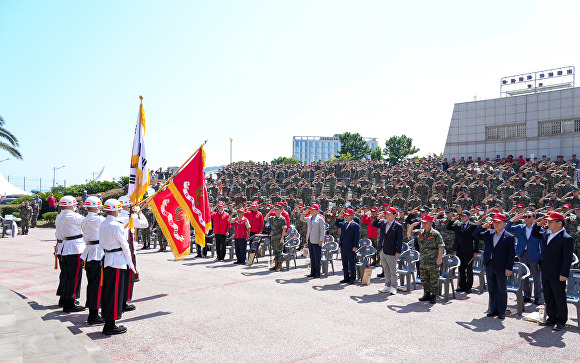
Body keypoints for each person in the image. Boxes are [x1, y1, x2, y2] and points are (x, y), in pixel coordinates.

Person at [99, 199, 137, 335]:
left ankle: (109, 322)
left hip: (108, 259)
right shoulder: (116, 225)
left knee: (108, 292)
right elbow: (125, 246)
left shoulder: (104, 223)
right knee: (114, 294)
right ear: (116, 210)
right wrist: (131, 264)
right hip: (117, 261)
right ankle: (110, 325)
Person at [532, 212, 575, 331]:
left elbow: (567, 258)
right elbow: (535, 234)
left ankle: (561, 320)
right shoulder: (547, 233)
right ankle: (551, 317)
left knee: (559, 296)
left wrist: (564, 273)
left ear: (559, 223)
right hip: (545, 270)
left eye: (551, 221)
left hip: (557, 272)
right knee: (548, 295)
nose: (548, 223)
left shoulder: (566, 238)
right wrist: (538, 225)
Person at [473, 213, 515, 320]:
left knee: (501, 289)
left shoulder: (509, 237)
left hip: (502, 266)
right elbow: (475, 234)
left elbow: (511, 254)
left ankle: (501, 311)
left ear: (504, 223)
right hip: (490, 264)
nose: (496, 224)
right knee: (491, 288)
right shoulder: (489, 233)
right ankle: (493, 309)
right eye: (494, 222)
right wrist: (482, 226)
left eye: (498, 222)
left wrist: (509, 268)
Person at [116, 195, 148, 312]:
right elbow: (145, 224)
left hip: (117, 252)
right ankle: (124, 301)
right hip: (129, 250)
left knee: (120, 277)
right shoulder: (131, 217)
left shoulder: (116, 216)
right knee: (129, 277)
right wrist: (138, 212)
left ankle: (121, 301)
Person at [54, 195, 86, 313]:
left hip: (62, 248)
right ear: (72, 205)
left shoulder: (59, 216)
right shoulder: (75, 216)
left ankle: (64, 297)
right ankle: (70, 302)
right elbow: (88, 224)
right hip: (74, 248)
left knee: (66, 275)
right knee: (74, 276)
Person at [505, 211, 542, 305]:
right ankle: (527, 295)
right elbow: (506, 229)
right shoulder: (519, 227)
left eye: (529, 216)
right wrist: (512, 220)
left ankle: (537, 297)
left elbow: (542, 244)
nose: (527, 218)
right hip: (523, 254)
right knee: (523, 276)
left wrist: (542, 257)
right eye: (525, 216)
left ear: (534, 218)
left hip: (534, 255)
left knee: (536, 277)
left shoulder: (538, 229)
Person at [407, 215, 444, 304]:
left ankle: (433, 296)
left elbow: (441, 247)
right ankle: (426, 294)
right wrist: (412, 225)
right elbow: (409, 234)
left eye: (426, 223)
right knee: (424, 278)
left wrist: (439, 258)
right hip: (423, 260)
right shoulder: (420, 232)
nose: (423, 224)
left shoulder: (435, 233)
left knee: (434, 278)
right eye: (423, 223)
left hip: (433, 261)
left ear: (431, 223)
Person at [80, 196, 105, 325]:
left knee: (91, 284)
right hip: (97, 253)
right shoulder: (100, 219)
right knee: (97, 285)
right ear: (96, 207)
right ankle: (93, 315)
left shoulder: (84, 220)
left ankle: (92, 311)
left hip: (89, 252)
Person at [446, 210, 479, 293]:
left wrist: (476, 251)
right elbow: (448, 227)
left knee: (469, 269)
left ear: (468, 217)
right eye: (461, 216)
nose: (462, 217)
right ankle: (462, 285)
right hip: (459, 249)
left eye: (464, 216)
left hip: (468, 250)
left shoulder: (473, 226)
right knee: (461, 269)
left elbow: (476, 239)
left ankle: (469, 286)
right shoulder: (458, 224)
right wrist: (453, 220)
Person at [373, 207, 403, 294]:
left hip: (392, 250)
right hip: (382, 249)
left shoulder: (398, 226)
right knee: (385, 269)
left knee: (393, 270)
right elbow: (374, 224)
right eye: (386, 214)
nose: (387, 215)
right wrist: (378, 218)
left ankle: (394, 286)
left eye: (389, 214)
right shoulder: (383, 223)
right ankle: (387, 285)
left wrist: (398, 251)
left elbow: (400, 240)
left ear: (394, 215)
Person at [335, 208, 360, 284]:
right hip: (343, 245)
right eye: (345, 215)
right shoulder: (344, 223)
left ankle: (352, 278)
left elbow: (357, 236)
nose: (346, 217)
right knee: (344, 262)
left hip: (351, 246)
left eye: (348, 215)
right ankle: (346, 277)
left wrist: (355, 246)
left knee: (352, 263)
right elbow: (337, 224)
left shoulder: (355, 225)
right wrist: (338, 218)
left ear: (352, 216)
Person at [300, 204, 326, 278]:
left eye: (313, 210)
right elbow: (302, 219)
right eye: (311, 210)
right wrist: (304, 213)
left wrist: (321, 240)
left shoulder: (320, 219)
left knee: (317, 258)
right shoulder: (309, 218)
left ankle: (317, 273)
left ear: (317, 211)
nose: (311, 211)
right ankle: (312, 272)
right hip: (310, 239)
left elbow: (322, 231)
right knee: (312, 257)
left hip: (317, 240)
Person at [268, 204, 287, 271]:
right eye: (275, 210)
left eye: (277, 210)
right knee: (275, 251)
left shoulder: (282, 219)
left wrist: (282, 238)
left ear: (280, 210)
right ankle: (276, 265)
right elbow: (265, 218)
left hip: (279, 238)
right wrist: (270, 212)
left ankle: (280, 265)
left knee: (279, 252)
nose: (275, 211)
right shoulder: (273, 218)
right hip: (273, 237)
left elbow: (284, 229)